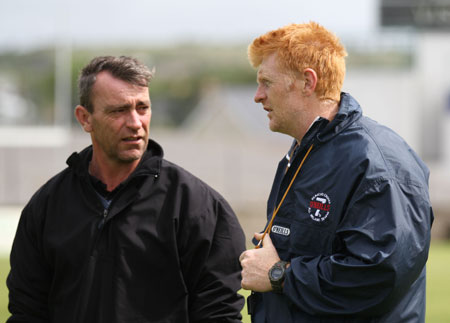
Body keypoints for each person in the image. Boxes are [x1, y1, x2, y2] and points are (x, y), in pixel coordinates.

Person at [7, 55, 246, 323]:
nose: (135, 123)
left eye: (142, 108)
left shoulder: (199, 207)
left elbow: (220, 314)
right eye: (118, 110)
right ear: (85, 118)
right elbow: (27, 311)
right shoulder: (47, 206)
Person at [239, 22, 433, 322]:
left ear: (307, 82)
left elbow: (378, 276)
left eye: (266, 82)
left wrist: (278, 275)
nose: (257, 96)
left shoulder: (376, 164)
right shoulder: (307, 150)